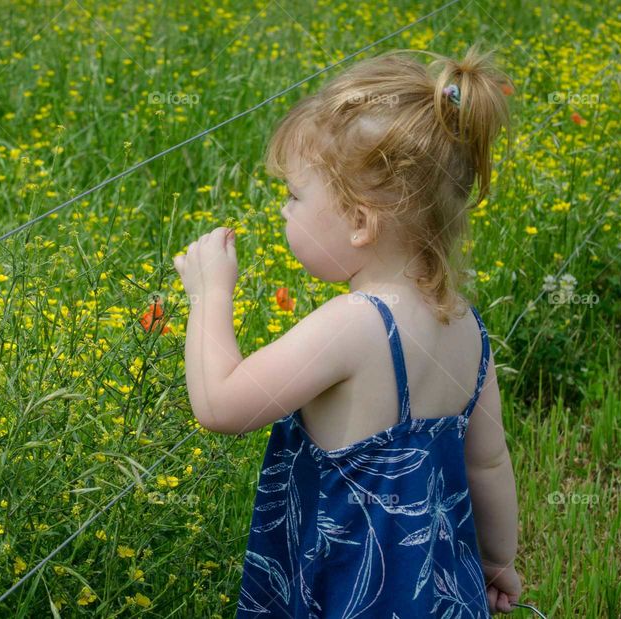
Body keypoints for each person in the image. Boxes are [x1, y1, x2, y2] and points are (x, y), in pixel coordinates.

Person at [173, 42, 522, 617]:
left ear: (360, 222)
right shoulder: (468, 327)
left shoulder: (354, 325)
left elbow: (220, 406)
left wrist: (211, 294)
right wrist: (497, 564)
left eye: (294, 195)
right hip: (439, 595)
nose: (284, 211)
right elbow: (488, 462)